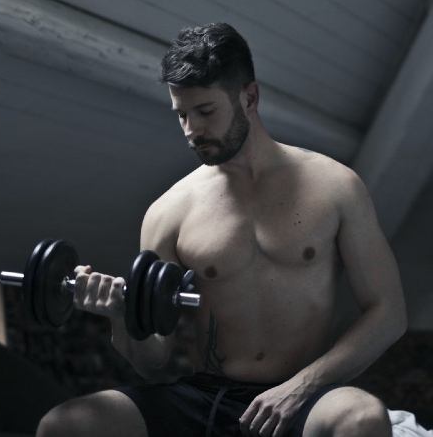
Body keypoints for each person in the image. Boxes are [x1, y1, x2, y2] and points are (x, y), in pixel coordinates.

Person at [37, 22, 407, 437]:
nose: (192, 130)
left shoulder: (336, 186)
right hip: (207, 395)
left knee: (361, 418)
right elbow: (152, 361)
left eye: (205, 111)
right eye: (181, 114)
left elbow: (388, 313)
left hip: (306, 395)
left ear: (249, 97)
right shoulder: (168, 211)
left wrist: (304, 385)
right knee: (64, 425)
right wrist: (123, 317)